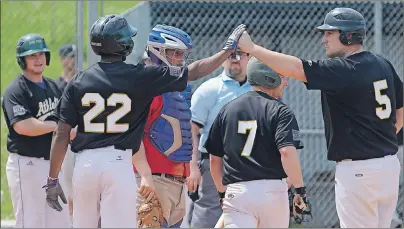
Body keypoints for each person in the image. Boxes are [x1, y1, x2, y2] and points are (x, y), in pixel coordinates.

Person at [43, 14, 246, 228]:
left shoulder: (78, 81)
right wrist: (225, 51)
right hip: (119, 162)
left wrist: (52, 179)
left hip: (86, 163)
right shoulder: (139, 75)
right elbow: (193, 71)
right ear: (124, 45)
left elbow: (61, 133)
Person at [237, 7, 404, 228]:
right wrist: (382, 139)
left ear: (347, 35)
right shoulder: (382, 63)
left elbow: (297, 68)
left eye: (329, 33)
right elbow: (401, 108)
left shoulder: (344, 69)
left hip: (358, 171)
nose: (324, 39)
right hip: (389, 167)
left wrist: (253, 48)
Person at [205, 57, 308, 228]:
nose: (286, 83)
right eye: (282, 76)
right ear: (268, 77)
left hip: (237, 192)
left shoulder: (227, 110)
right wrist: (300, 190)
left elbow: (214, 160)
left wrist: (222, 193)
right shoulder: (280, 110)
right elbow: (287, 152)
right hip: (272, 192)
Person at [132, 25, 202, 228]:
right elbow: (133, 135)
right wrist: (145, 175)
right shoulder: (147, 89)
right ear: (160, 52)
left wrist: (192, 167)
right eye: (177, 53)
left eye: (183, 54)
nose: (181, 58)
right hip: (155, 180)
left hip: (178, 182)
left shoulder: (181, 88)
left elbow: (187, 132)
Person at [2, 33, 71, 228]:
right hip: (27, 164)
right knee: (31, 222)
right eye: (32, 56)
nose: (38, 59)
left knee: (61, 221)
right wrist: (57, 128)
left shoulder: (52, 87)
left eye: (41, 54)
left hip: (53, 165)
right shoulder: (16, 90)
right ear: (22, 60)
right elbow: (23, 126)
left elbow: (66, 121)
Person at [189, 47, 252, 228]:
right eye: (230, 54)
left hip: (250, 161)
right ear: (222, 58)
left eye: (241, 54)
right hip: (213, 161)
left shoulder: (257, 89)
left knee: (247, 210)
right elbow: (191, 130)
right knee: (210, 209)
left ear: (250, 58)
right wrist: (193, 166)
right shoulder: (209, 89)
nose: (235, 59)